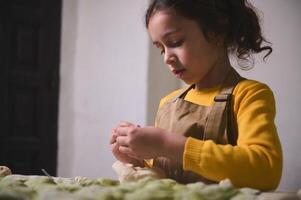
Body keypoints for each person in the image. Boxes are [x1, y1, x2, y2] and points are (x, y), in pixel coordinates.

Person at [110, 0, 282, 191]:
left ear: (217, 31)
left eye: (175, 42)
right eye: (161, 49)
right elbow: (165, 175)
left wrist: (166, 144)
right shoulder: (169, 103)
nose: (167, 57)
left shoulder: (249, 95)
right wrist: (137, 160)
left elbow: (266, 171)